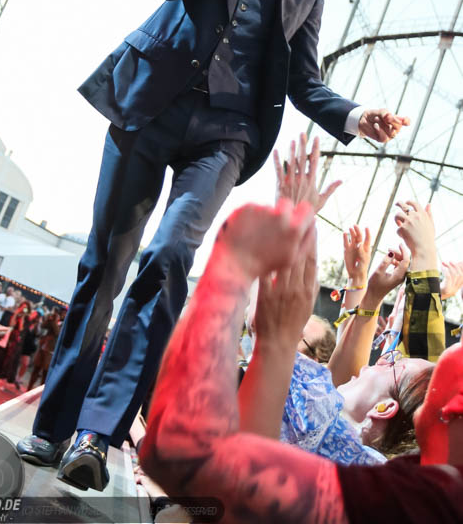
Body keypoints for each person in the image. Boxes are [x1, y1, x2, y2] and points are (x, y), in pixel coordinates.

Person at [17, 0, 409, 490]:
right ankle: (54, 425)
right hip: (148, 107)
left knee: (169, 255)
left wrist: (354, 114)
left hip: (226, 134)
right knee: (105, 265)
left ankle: (95, 434)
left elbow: (304, 83)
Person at [140, 201, 463, 524]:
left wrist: (237, 267)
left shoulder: (326, 431)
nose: (369, 364)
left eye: (387, 364)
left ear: (385, 409)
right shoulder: (375, 470)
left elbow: (177, 456)